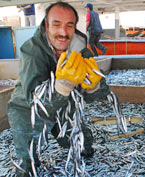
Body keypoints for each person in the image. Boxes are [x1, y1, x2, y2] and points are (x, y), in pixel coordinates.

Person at [8, 2, 110, 176]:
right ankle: (26, 165)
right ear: (47, 26)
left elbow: (101, 94)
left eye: (69, 26)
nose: (63, 33)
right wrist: (62, 87)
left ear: (74, 27)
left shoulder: (80, 50)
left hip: (63, 105)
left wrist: (95, 88)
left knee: (83, 146)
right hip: (28, 108)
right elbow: (34, 101)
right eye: (56, 25)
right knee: (27, 161)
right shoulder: (32, 51)